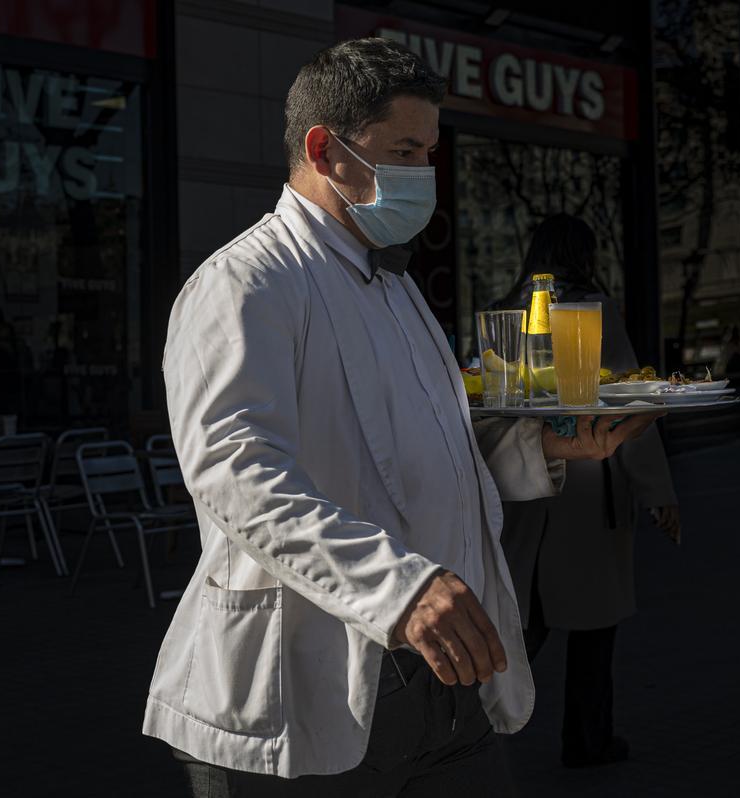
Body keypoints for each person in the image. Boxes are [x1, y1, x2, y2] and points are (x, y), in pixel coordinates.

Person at [142, 38, 663, 796]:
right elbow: (237, 474)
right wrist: (401, 590)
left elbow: (432, 450)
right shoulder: (245, 283)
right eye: (406, 151)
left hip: (444, 686)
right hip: (309, 686)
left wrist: (549, 450)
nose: (425, 174)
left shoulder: (397, 289)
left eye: (429, 151)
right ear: (325, 149)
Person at [477, 214, 680, 768]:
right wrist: (657, 491)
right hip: (590, 484)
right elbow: (626, 404)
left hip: (524, 486)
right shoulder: (593, 309)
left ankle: (477, 728)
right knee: (593, 624)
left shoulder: (504, 311)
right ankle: (587, 739)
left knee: (524, 616)